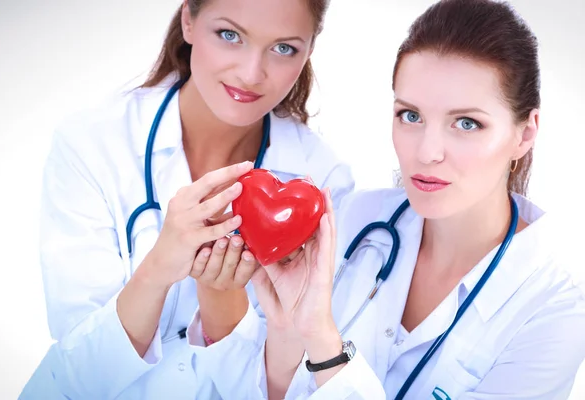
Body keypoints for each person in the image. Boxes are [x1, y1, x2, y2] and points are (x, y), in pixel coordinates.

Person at [198, 0, 585, 399]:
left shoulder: (553, 313)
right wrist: (287, 332)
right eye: (411, 116)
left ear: (524, 133)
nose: (427, 151)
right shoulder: (350, 220)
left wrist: (324, 342)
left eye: (467, 123)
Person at [18, 0, 354, 399]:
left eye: (284, 48)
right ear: (189, 21)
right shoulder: (92, 144)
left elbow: (288, 386)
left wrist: (221, 302)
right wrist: (160, 266)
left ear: (309, 50)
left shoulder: (323, 183)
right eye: (229, 35)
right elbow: (77, 375)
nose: (251, 74)